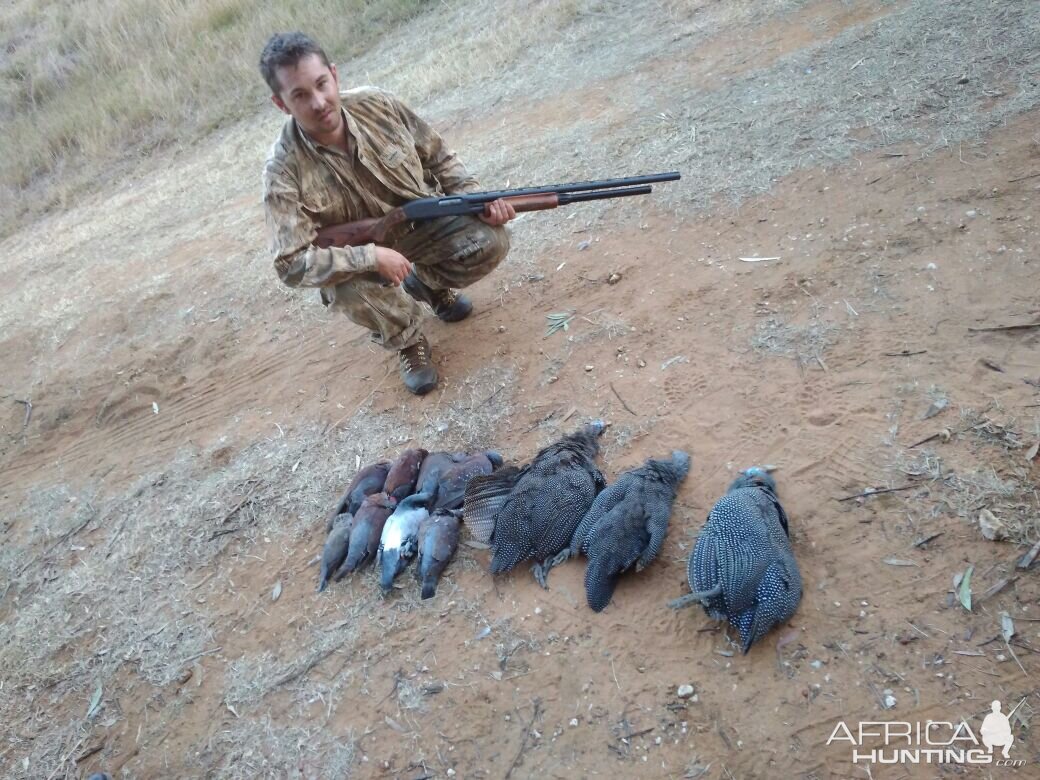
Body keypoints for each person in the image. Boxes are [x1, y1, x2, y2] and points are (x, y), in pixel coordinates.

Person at [259, 32, 515, 395]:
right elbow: (289, 264)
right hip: (360, 259)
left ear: (334, 74)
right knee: (345, 289)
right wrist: (370, 256)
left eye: (321, 84)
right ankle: (408, 340)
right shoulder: (282, 171)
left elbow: (438, 156)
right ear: (280, 103)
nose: (318, 102)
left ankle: (427, 285)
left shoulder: (378, 105)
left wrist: (477, 201)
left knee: (491, 240)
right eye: (300, 95)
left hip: (423, 228)